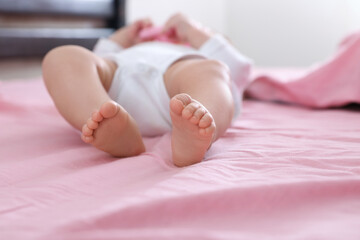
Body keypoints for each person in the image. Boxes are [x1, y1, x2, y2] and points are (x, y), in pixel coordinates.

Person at [42, 13, 252, 167]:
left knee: (211, 71)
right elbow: (97, 57)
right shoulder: (124, 52)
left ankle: (195, 134)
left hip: (177, 86)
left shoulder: (192, 53)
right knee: (63, 57)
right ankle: (103, 120)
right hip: (114, 84)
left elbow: (240, 68)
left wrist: (191, 30)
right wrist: (125, 36)